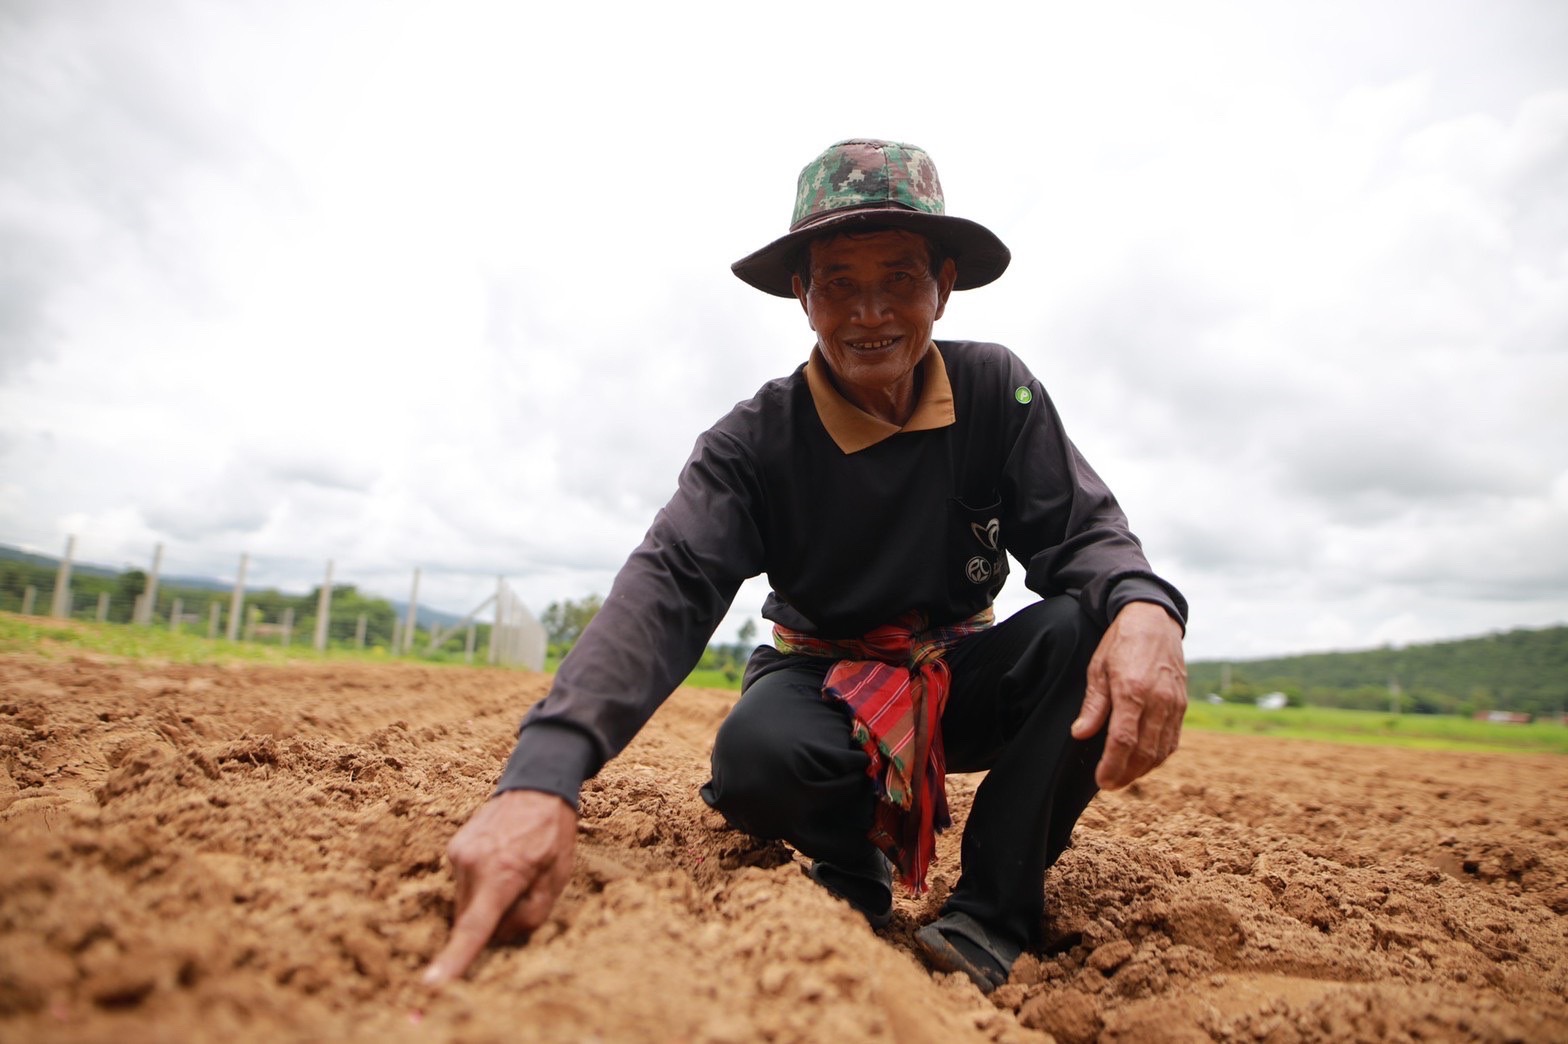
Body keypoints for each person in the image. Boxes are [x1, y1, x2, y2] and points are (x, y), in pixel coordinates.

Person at [422, 139, 1188, 993]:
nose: (871, 314)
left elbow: (1084, 535)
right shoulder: (753, 445)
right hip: (822, 679)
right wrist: (543, 776)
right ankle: (849, 862)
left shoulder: (995, 393)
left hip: (958, 671)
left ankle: (993, 909)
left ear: (943, 284)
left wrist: (1145, 605)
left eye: (899, 279)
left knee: (1094, 622)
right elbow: (670, 586)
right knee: (759, 755)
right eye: (840, 284)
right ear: (802, 294)